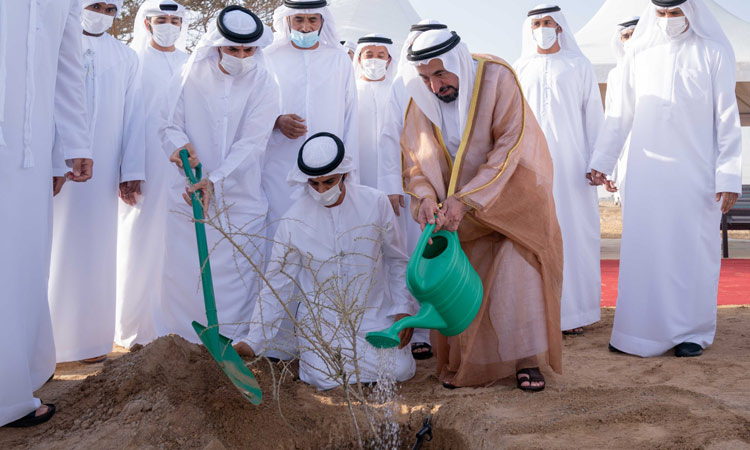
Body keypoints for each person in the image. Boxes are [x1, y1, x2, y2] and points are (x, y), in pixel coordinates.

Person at [401, 28, 563, 391]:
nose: (434, 86)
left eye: (441, 74)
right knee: (464, 283)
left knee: (514, 275)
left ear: (459, 60)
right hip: (457, 213)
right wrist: (426, 197)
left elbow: (509, 145)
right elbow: (415, 160)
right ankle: (473, 364)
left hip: (510, 199)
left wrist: (469, 198)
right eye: (425, 77)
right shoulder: (419, 99)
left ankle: (526, 360)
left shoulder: (495, 77)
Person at [588, 0, 743, 358]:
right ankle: (636, 332)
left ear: (691, 12)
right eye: (662, 14)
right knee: (645, 249)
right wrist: (603, 161)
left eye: (676, 13)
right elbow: (618, 115)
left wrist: (729, 176)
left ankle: (693, 332)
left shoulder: (714, 51)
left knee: (691, 251)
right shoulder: (638, 54)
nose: (669, 21)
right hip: (646, 174)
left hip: (695, 173)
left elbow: (726, 117)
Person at [235, 132, 416, 390]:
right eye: (314, 184)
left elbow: (397, 260)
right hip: (324, 326)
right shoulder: (292, 221)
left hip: (372, 318)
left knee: (400, 368)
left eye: (328, 182)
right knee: (324, 375)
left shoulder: (375, 203)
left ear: (344, 175)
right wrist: (254, 340)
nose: (321, 190)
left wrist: (403, 308)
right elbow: (277, 284)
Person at [159, 5, 280, 344]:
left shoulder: (265, 82)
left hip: (242, 194)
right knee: (187, 274)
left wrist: (217, 179)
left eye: (248, 50)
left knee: (238, 274)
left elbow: (253, 142)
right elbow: (168, 123)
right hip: (189, 191)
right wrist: (182, 149)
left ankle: (233, 343)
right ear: (216, 45)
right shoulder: (189, 75)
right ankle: (184, 345)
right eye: (233, 49)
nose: (241, 56)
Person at [1, 0, 92, 427]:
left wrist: (73, 145)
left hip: (28, 154)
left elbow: (66, 67)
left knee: (20, 264)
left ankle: (11, 391)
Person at [48, 0, 145, 364]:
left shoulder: (126, 57)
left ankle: (87, 341)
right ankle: (48, 344)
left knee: (95, 252)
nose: (102, 13)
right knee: (52, 249)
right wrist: (55, 159)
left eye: (110, 8)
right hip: (58, 169)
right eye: (95, 5)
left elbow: (134, 114)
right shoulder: (56, 43)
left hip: (101, 172)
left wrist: (131, 169)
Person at [261, 0, 359, 359]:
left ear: (322, 21)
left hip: (327, 175)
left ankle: (325, 343)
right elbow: (255, 106)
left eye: (311, 19)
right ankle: (277, 343)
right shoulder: (270, 57)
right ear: (287, 21)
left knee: (325, 251)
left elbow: (350, 117)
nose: (304, 27)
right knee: (279, 250)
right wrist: (276, 121)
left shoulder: (338, 61)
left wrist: (347, 169)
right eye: (298, 19)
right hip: (278, 173)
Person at [514, 4, 604, 336]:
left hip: (573, 168)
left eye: (547, 21)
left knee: (575, 235)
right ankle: (538, 313)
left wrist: (598, 162)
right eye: (536, 22)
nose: (542, 27)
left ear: (560, 26)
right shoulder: (519, 68)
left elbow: (594, 116)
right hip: (531, 168)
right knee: (534, 235)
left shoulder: (578, 65)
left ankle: (575, 314)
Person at [115, 0, 189, 349]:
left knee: (175, 245)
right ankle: (134, 329)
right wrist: (130, 170)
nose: (169, 25)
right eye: (162, 19)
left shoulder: (189, 62)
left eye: (175, 20)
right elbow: (127, 119)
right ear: (146, 24)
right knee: (139, 244)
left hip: (179, 169)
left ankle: (171, 325)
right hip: (142, 168)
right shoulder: (134, 60)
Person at [379, 20, 449, 360]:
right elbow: (389, 136)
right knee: (415, 256)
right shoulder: (402, 84)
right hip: (414, 187)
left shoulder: (452, 80)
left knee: (446, 259)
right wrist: (393, 186)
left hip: (452, 186)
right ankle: (420, 331)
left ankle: (448, 330)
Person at [353, 34, 396, 189]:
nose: (374, 60)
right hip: (358, 165)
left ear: (388, 60)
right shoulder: (350, 90)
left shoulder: (397, 90)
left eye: (380, 55)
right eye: (369, 55)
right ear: (359, 59)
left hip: (393, 167)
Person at [606, 16, 639, 205]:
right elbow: (610, 119)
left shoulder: (660, 68)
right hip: (626, 155)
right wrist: (610, 169)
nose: (630, 39)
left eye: (634, 34)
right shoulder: (615, 75)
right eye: (625, 36)